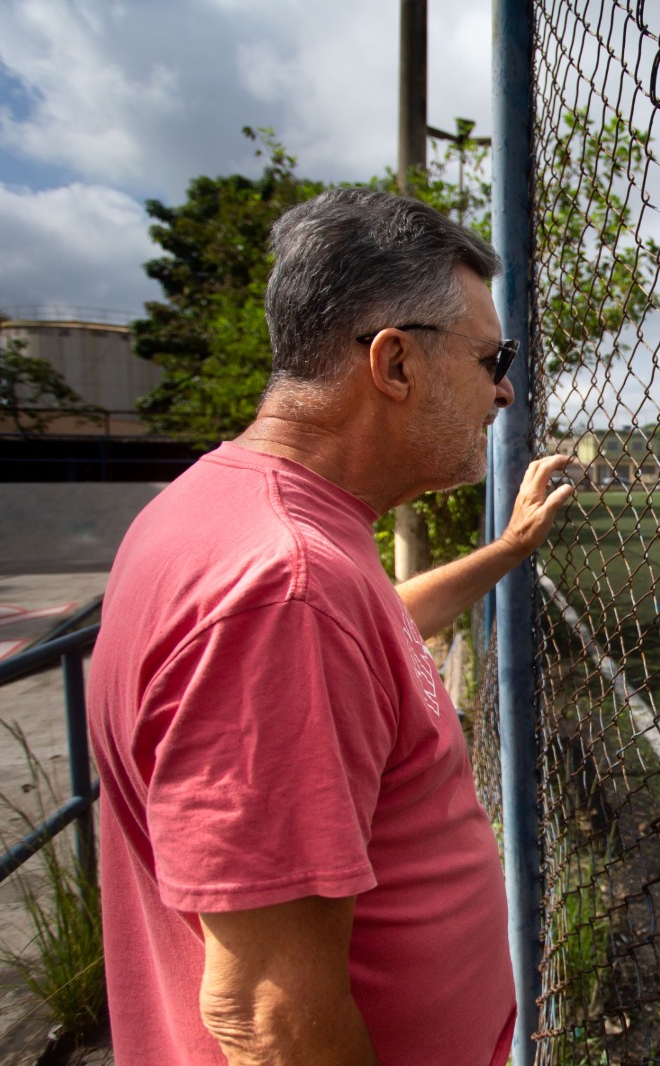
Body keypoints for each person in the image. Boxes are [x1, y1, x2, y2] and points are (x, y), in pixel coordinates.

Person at [88, 188, 574, 1066]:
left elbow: (376, 635)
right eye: (490, 358)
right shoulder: (286, 592)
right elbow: (268, 1016)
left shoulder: (231, 512)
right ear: (395, 363)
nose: (503, 390)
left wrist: (506, 550)